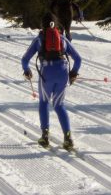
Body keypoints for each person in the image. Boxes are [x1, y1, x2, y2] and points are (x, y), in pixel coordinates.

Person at [21, 12, 82, 150]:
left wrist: (27, 70)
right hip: (63, 73)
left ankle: (45, 136)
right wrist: (73, 73)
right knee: (59, 105)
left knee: (44, 102)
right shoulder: (62, 39)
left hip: (46, 73)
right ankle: (67, 138)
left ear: (43, 25)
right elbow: (78, 59)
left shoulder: (39, 40)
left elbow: (24, 59)